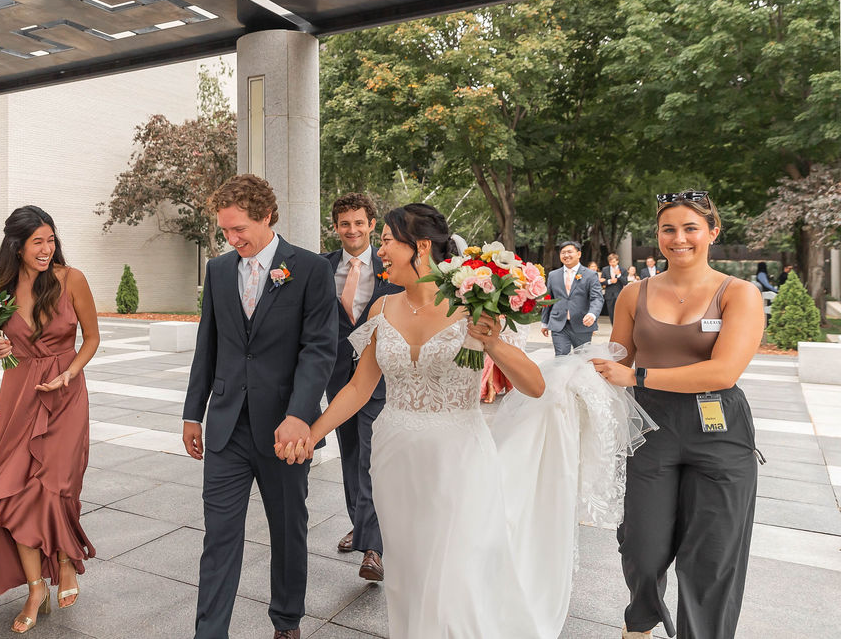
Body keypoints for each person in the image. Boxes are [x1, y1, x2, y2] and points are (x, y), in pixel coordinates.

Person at [278, 203, 654, 638]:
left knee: (455, 569)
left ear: (419, 247)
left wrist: (493, 343)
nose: (378, 249)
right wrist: (312, 432)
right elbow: (359, 389)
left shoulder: (473, 307)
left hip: (458, 456)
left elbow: (534, 385)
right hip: (394, 455)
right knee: (409, 571)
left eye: (385, 240)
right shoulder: (382, 309)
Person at [591, 190, 764, 639]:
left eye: (691, 228)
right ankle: (641, 619)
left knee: (711, 555)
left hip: (719, 429)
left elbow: (723, 372)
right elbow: (619, 360)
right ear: (658, 235)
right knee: (642, 547)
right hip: (650, 429)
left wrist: (639, 377)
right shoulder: (634, 293)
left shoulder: (739, 293)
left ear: (712, 232)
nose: (679, 238)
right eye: (669, 229)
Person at [182, 174, 337, 639]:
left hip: (287, 431)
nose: (232, 239)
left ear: (266, 216)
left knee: (288, 531)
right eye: (225, 231)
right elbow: (207, 345)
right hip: (228, 427)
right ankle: (209, 633)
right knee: (219, 536)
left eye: (239, 229)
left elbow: (319, 349)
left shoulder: (310, 269)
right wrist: (194, 412)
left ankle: (286, 622)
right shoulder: (218, 270)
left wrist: (299, 415)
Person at [0, 205, 99, 634]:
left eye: (51, 239)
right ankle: (36, 587)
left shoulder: (70, 279)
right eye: (38, 241)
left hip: (65, 394)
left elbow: (92, 338)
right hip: (18, 393)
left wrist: (69, 374)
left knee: (55, 487)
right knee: (14, 492)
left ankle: (64, 560)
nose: (46, 249)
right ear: (17, 246)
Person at [323, 193, 402, 581]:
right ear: (335, 227)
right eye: (344, 223)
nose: (352, 230)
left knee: (372, 457)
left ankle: (374, 548)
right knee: (351, 454)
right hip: (338, 379)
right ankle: (361, 524)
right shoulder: (320, 268)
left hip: (381, 378)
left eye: (359, 222)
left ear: (371, 224)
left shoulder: (392, 265)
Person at [541, 241, 604, 355]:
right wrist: (544, 322)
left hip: (582, 324)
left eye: (569, 252)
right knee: (561, 358)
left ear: (579, 254)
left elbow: (597, 298)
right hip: (558, 324)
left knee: (582, 359)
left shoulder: (590, 275)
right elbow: (548, 299)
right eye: (563, 253)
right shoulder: (553, 275)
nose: (566, 255)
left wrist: (592, 314)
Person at [602, 252, 629, 323]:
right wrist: (610, 281)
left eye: (614, 261)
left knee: (620, 312)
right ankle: (613, 328)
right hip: (609, 295)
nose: (612, 263)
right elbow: (601, 281)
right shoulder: (605, 269)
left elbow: (625, 282)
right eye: (610, 262)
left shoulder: (623, 270)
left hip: (619, 294)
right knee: (611, 313)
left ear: (617, 261)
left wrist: (619, 275)